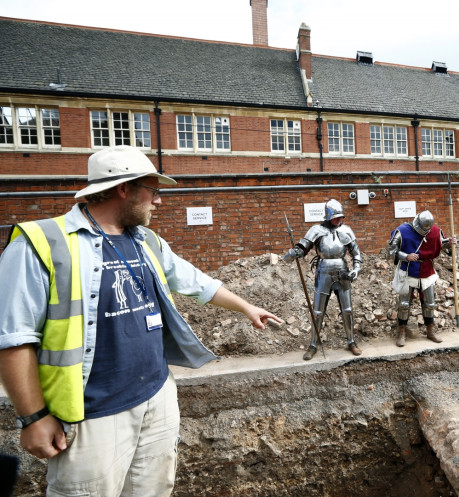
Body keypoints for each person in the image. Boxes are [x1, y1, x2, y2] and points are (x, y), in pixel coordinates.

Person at [0, 145, 281, 497]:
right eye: (153, 190)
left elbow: (195, 281)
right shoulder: (40, 243)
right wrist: (34, 417)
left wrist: (246, 308)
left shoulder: (145, 240)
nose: (159, 201)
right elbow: (14, 339)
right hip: (94, 414)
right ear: (124, 189)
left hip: (156, 396)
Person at [283, 199, 362, 360]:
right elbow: (303, 247)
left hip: (342, 272)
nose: (339, 220)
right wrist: (295, 252)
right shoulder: (316, 230)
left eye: (341, 217)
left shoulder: (346, 230)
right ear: (328, 216)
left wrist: (356, 269)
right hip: (324, 273)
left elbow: (356, 253)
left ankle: (351, 341)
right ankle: (313, 344)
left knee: (347, 310)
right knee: (318, 312)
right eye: (336, 217)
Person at [387, 210, 456, 347]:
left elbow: (444, 246)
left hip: (427, 270)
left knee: (429, 304)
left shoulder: (436, 231)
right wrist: (406, 256)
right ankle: (401, 332)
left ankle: (430, 331)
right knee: (404, 305)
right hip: (408, 270)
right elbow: (390, 251)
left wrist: (450, 243)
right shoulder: (402, 230)